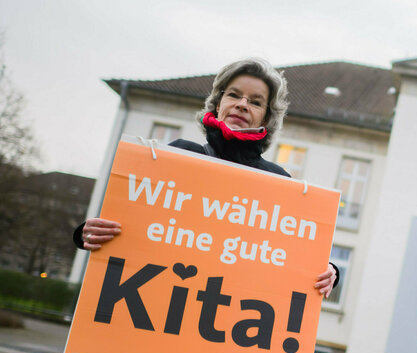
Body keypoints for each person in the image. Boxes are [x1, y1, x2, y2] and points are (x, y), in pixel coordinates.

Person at [73, 58, 339, 296]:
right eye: (234, 95)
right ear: (218, 103)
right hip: (156, 302)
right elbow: (131, 225)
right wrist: (86, 233)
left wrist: (328, 271)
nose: (242, 104)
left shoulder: (279, 182)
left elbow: (290, 255)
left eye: (255, 102)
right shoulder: (176, 156)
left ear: (267, 118)